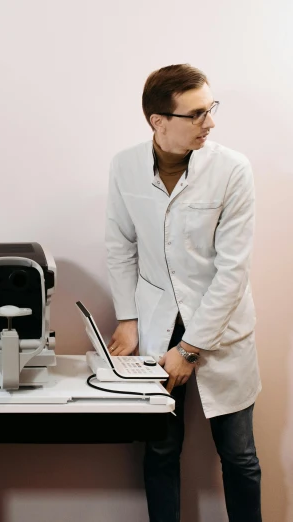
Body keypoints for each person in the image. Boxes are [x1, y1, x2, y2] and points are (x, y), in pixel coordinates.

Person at [105, 64, 262, 522]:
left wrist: (191, 348)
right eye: (196, 114)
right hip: (156, 325)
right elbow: (120, 245)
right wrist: (128, 319)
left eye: (209, 109)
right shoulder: (125, 166)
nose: (209, 123)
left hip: (219, 329)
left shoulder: (232, 169)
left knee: (239, 457)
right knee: (159, 452)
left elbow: (232, 270)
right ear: (159, 121)